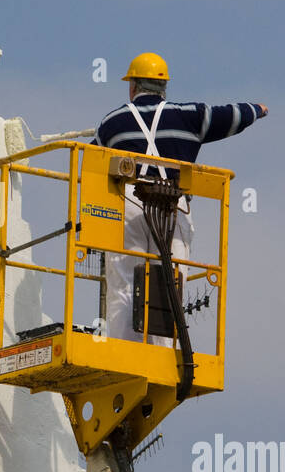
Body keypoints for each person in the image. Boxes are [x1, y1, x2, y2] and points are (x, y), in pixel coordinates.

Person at [93, 53, 268, 344]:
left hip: (127, 207)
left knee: (124, 284)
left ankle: (125, 352)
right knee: (169, 282)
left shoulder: (112, 122)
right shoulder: (190, 115)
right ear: (164, 89)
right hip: (173, 207)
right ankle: (161, 356)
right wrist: (258, 110)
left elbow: (90, 166)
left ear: (132, 87)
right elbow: (231, 115)